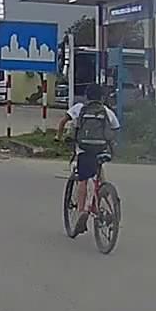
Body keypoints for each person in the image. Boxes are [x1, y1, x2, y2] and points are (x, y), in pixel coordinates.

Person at [56, 84, 120, 234]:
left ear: (86, 96)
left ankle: (82, 212)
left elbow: (63, 121)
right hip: (101, 148)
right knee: (98, 170)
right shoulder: (106, 111)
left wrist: (58, 137)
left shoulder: (79, 108)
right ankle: (104, 195)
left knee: (83, 179)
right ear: (101, 97)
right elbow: (116, 128)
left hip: (84, 149)